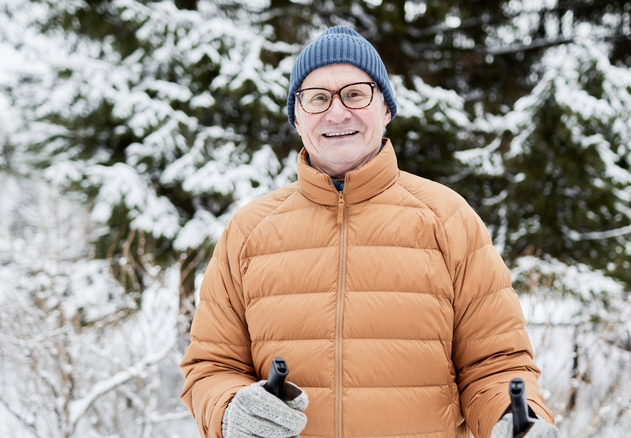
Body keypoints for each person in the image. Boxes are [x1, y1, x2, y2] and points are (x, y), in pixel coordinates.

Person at [180, 25, 561, 438]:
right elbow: (211, 367)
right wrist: (230, 410)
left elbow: (494, 363)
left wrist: (516, 424)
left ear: (386, 109)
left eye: (355, 93)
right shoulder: (249, 231)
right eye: (317, 98)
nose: (337, 112)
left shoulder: (447, 219)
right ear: (296, 117)